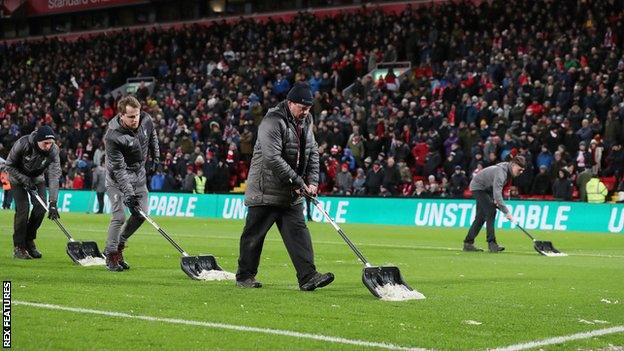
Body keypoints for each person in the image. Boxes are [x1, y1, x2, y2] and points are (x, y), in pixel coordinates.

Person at [236, 82, 334, 291]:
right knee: (254, 235)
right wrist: (298, 182)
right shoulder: (272, 121)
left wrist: (313, 182)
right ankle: (245, 276)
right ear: (290, 103)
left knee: (299, 234)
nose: (306, 112)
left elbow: (313, 151)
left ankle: (308, 276)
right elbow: (272, 158)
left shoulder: (306, 121)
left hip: (290, 193)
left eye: (308, 108)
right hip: (266, 189)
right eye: (302, 107)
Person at [104, 95, 159, 272]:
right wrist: (128, 194)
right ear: (121, 115)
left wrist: (156, 156)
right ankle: (111, 255)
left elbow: (152, 136)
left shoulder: (146, 119)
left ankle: (120, 244)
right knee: (119, 216)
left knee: (142, 214)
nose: (136, 119)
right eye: (131, 116)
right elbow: (119, 169)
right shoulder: (113, 136)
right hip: (117, 180)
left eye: (137, 114)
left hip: (139, 177)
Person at [4, 126, 61, 259]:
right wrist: (24, 180)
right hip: (17, 179)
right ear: (37, 141)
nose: (48, 146)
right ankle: (19, 247)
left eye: (50, 143)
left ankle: (29, 240)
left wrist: (53, 203)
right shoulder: (22, 144)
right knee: (23, 210)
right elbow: (9, 165)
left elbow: (54, 176)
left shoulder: (53, 150)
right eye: (45, 143)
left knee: (41, 209)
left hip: (37, 179)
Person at [463, 156, 526, 252]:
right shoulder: (501, 173)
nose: (521, 172)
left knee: (481, 217)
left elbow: (497, 191)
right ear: (513, 165)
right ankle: (492, 244)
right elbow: (497, 194)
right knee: (491, 211)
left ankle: (468, 243)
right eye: (519, 170)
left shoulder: (508, 171)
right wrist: (507, 212)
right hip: (478, 187)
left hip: (487, 189)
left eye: (522, 171)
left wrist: (496, 200)